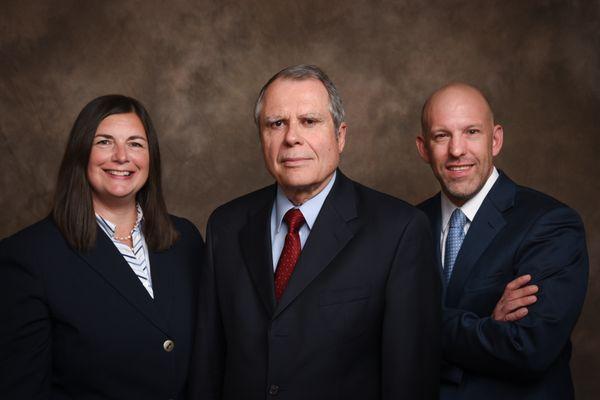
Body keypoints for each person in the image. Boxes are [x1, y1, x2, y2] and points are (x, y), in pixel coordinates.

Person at [188, 64, 441, 400]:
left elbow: (410, 380)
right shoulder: (226, 226)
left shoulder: (398, 229)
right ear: (262, 138)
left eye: (309, 121)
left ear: (340, 136)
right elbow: (209, 365)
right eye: (276, 124)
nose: (291, 137)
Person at [0, 95, 204, 399]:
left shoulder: (184, 239)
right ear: (80, 153)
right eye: (105, 142)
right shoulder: (28, 256)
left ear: (151, 158)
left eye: (135, 143)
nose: (122, 156)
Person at [415, 83, 589, 399]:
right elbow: (373, 339)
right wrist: (485, 326)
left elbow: (528, 348)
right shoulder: (406, 227)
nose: (457, 150)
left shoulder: (551, 224)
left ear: (495, 140)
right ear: (423, 147)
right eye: (442, 136)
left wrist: (417, 324)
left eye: (471, 132)